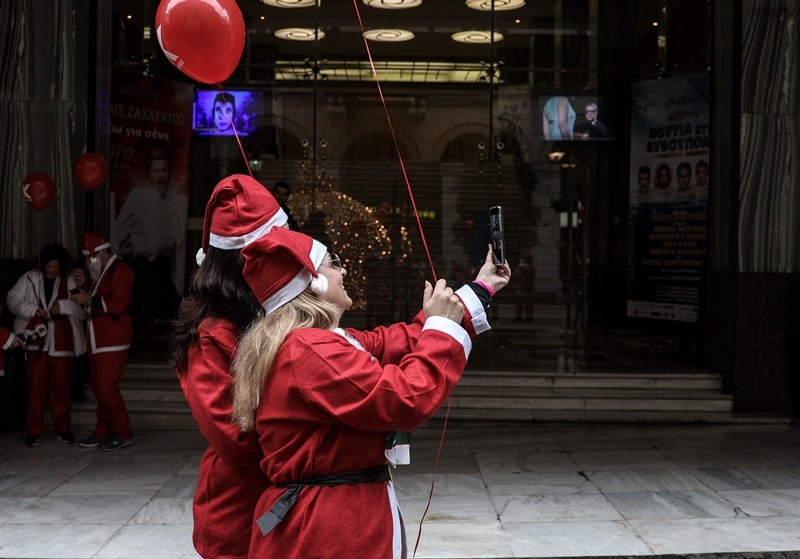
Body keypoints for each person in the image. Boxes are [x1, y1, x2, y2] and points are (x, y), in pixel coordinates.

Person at [231, 227, 511, 558]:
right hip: (333, 527)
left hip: (332, 517)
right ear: (312, 284)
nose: (343, 269)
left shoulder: (311, 342)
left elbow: (399, 340)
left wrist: (480, 288)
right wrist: (443, 329)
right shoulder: (310, 349)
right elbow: (403, 399)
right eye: (333, 263)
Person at [170, 174, 289, 559]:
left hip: (285, 501)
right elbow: (237, 439)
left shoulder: (273, 310)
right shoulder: (211, 335)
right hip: (240, 515)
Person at [6, 244, 86, 447]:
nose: (52, 271)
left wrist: (64, 306)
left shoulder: (69, 281)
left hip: (62, 343)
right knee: (35, 388)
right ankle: (33, 430)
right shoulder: (29, 278)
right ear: (43, 266)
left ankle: (63, 429)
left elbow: (83, 309)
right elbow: (12, 300)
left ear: (61, 267)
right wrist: (33, 310)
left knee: (61, 389)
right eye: (49, 267)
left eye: (56, 267)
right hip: (35, 343)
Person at [71, 233, 135, 452]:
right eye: (87, 258)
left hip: (113, 339)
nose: (90, 262)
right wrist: (83, 289)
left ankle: (123, 432)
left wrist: (88, 298)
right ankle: (102, 431)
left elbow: (119, 303)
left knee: (107, 388)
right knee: (99, 389)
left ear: (105, 252)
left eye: (93, 257)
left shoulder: (121, 270)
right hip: (97, 338)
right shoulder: (99, 274)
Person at [116, 149, 187, 332]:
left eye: (164, 170)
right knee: (138, 302)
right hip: (137, 264)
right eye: (156, 171)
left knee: (173, 308)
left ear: (169, 173)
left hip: (160, 264)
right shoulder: (138, 196)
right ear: (150, 175)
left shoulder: (176, 203)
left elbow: (168, 241)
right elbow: (120, 230)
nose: (161, 174)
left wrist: (138, 248)